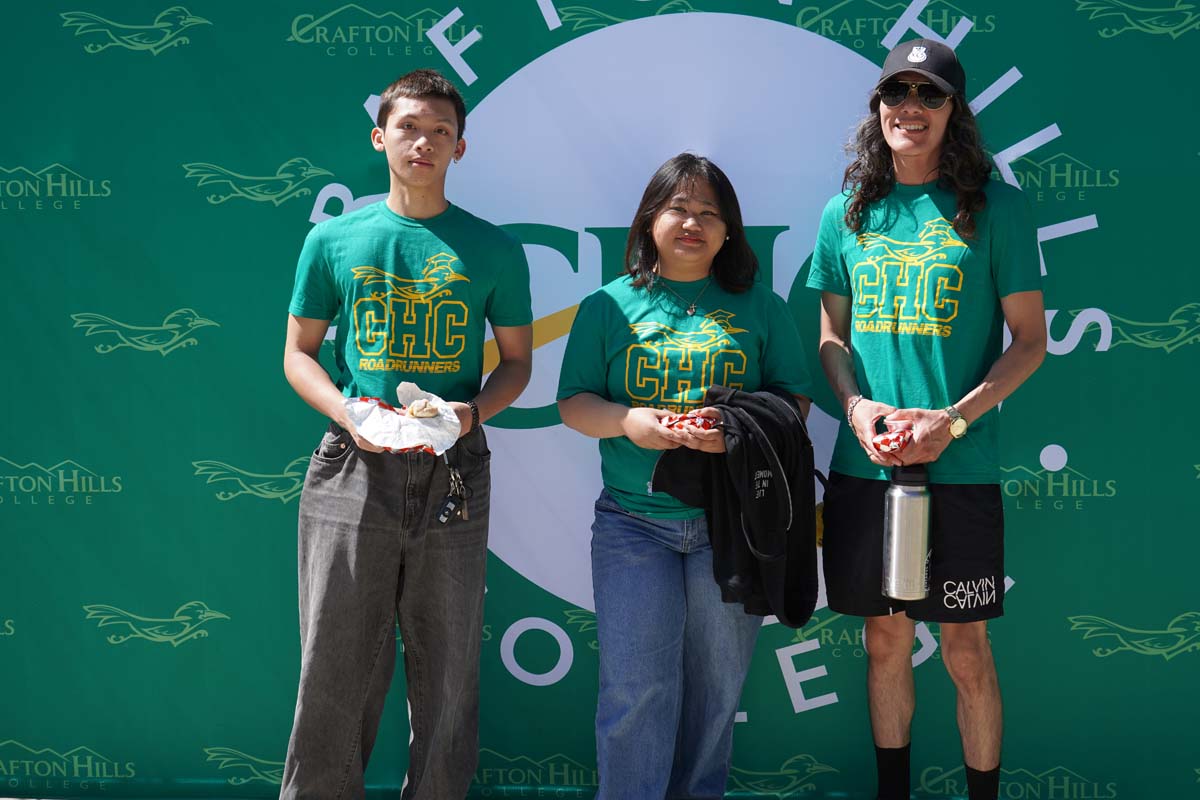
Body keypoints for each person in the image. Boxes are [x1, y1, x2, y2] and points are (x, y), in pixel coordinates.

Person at [279, 68, 533, 799]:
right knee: (334, 662)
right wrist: (346, 411)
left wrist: (470, 415)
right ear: (379, 136)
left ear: (460, 147)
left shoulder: (493, 249)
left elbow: (515, 364)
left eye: (441, 132)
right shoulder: (335, 239)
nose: (424, 142)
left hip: (452, 466)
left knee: (448, 669)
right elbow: (298, 355)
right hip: (352, 465)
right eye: (410, 127)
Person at [806, 39, 1046, 800]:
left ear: (954, 112)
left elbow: (1031, 342)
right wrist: (857, 405)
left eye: (929, 94)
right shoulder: (844, 214)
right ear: (877, 108)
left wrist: (954, 419)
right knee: (884, 641)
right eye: (896, 93)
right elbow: (831, 339)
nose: (910, 107)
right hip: (865, 467)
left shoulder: (997, 208)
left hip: (960, 469)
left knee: (966, 651)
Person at [556, 153, 812, 799]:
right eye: (678, 208)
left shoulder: (762, 307)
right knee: (634, 692)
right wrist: (630, 422)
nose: (692, 222)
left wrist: (735, 432)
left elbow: (793, 403)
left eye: (709, 213)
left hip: (731, 526)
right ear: (648, 221)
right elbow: (574, 402)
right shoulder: (607, 306)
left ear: (729, 232)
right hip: (633, 526)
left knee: (714, 699)